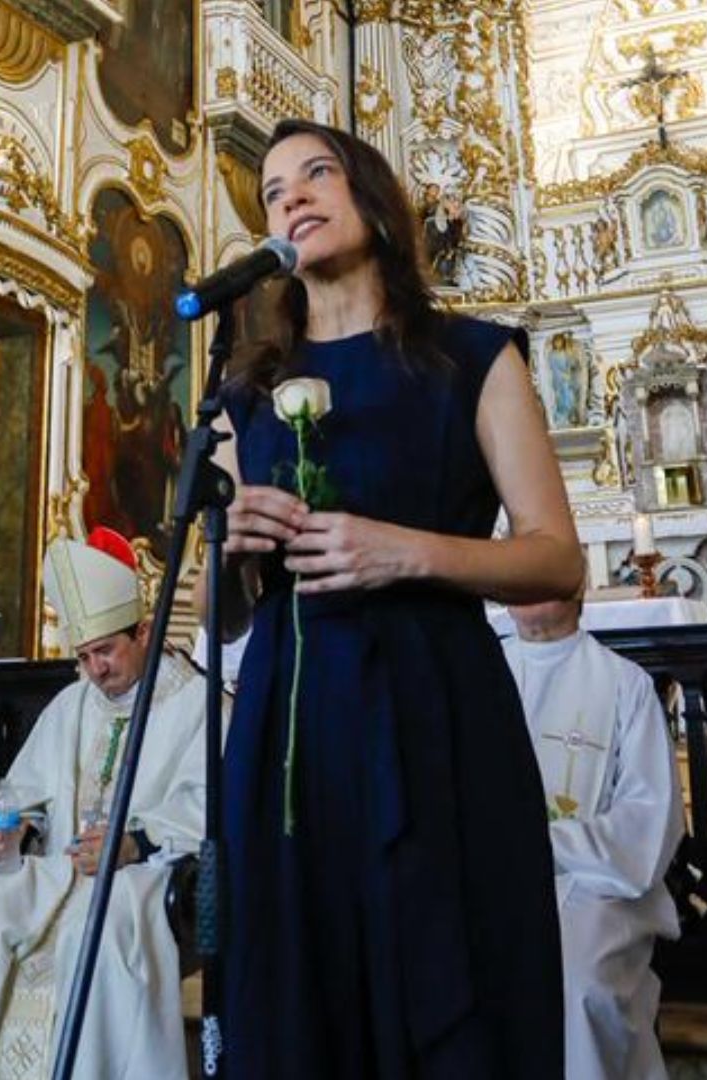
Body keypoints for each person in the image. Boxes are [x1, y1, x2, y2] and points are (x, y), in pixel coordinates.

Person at [213, 117, 581, 1079]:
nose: (291, 196)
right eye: (273, 190)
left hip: (433, 712)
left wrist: (405, 552)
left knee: (444, 969)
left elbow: (555, 562)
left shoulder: (473, 357)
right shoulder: (247, 393)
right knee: (303, 986)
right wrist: (235, 554)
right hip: (290, 725)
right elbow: (226, 618)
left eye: (316, 173)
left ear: (372, 197)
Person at [0, 528, 211, 1080]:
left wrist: (134, 842)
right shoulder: (71, 702)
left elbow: (210, 808)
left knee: (94, 932)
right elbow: (23, 797)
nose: (95, 670)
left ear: (146, 632)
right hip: (56, 871)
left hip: (140, 876)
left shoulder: (199, 704)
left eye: (106, 650)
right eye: (84, 657)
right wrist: (11, 832)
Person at [503, 594, 684, 1080]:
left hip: (599, 884)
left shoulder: (625, 684)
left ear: (574, 583)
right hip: (491, 880)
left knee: (577, 983)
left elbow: (650, 819)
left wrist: (542, 847)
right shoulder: (479, 673)